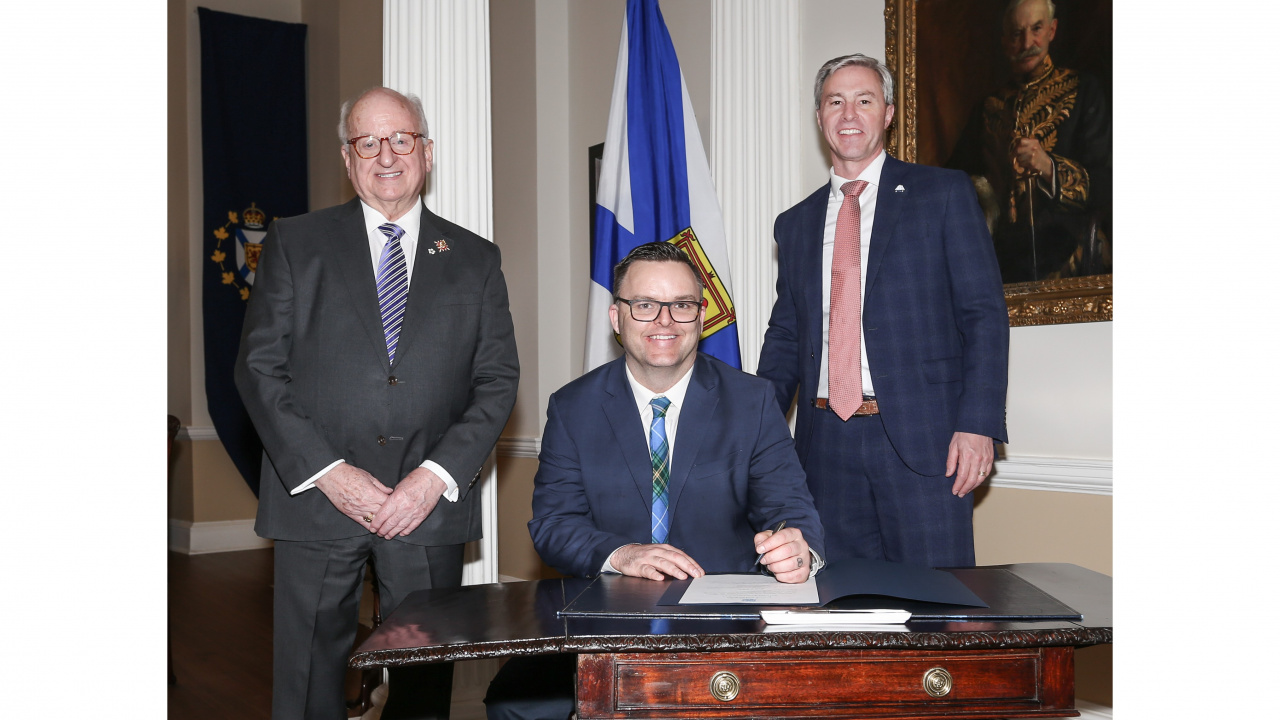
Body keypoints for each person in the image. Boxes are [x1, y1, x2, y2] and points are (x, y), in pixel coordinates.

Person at [236, 86, 519, 720]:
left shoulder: (475, 258)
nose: (385, 155)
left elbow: (497, 379)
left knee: (423, 686)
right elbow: (258, 369)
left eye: (401, 139)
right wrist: (330, 474)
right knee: (307, 677)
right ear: (347, 156)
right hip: (315, 499)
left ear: (427, 151)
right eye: (368, 141)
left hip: (426, 509)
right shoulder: (294, 243)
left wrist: (433, 479)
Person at [484, 242, 824, 720]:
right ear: (616, 317)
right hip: (605, 620)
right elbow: (554, 525)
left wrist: (798, 551)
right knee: (515, 706)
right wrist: (622, 555)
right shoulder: (573, 407)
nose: (664, 321)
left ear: (701, 316)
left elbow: (791, 508)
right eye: (644, 305)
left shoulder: (752, 401)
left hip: (722, 626)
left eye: (681, 305)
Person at [755, 54, 1009, 570]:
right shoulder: (795, 224)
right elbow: (786, 336)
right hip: (823, 448)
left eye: (864, 100)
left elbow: (984, 314)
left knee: (939, 612)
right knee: (836, 614)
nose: (849, 113)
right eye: (835, 101)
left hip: (926, 445)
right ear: (820, 116)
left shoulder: (942, 194)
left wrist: (978, 424)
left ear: (888, 113)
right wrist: (751, 429)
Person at [947, 0, 1112, 283]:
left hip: (1072, 258)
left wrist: (1050, 168)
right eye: (1016, 34)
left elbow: (1107, 182)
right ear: (1004, 42)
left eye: (1036, 29)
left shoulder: (1085, 91)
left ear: (1052, 29)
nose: (1027, 43)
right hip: (1001, 264)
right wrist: (983, 190)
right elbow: (953, 178)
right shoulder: (988, 107)